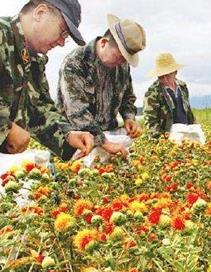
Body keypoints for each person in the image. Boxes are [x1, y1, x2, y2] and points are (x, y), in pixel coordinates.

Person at [0, 0, 94, 160]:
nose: (62, 43)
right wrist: (4, 127)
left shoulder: (33, 59)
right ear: (40, 13)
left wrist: (68, 135)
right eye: (63, 31)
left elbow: (39, 108)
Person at [57, 14, 146, 156]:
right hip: (78, 144)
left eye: (125, 60)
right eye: (119, 57)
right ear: (104, 42)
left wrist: (129, 118)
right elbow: (77, 113)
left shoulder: (122, 66)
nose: (121, 63)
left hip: (110, 137)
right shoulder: (75, 64)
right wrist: (105, 143)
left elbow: (127, 96)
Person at [143, 53, 195, 139]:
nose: (164, 79)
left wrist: (193, 130)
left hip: (186, 135)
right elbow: (150, 122)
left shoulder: (182, 87)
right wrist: (162, 140)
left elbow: (188, 112)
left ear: (175, 72)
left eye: (167, 75)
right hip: (166, 138)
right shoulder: (152, 92)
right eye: (161, 77)